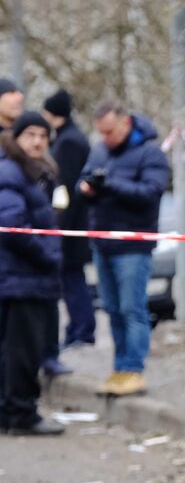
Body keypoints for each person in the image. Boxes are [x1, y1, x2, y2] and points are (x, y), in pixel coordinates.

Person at [79, 98, 169, 397]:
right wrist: (87, 187)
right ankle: (119, 369)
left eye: (110, 132)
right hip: (102, 242)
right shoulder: (100, 151)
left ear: (126, 122)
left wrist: (110, 185)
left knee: (133, 309)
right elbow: (87, 179)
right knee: (113, 310)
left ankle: (134, 369)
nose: (106, 139)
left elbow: (151, 193)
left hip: (132, 245)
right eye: (101, 133)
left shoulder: (150, 153)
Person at [0, 112, 64, 435]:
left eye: (43, 135)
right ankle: (21, 415)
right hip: (21, 277)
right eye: (31, 135)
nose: (38, 142)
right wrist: (47, 254)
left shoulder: (31, 171)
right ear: (17, 138)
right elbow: (13, 229)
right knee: (22, 351)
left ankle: (11, 413)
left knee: (14, 350)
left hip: (21, 277)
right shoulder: (11, 172)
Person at [42, 90, 95, 358]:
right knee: (72, 279)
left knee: (72, 279)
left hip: (71, 226)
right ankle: (78, 329)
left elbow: (65, 188)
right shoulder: (67, 139)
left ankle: (82, 330)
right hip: (71, 224)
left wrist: (60, 226)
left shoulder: (68, 143)